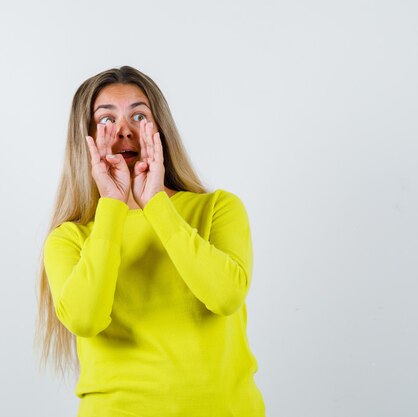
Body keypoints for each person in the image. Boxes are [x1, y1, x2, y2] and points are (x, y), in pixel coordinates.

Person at [36, 66, 265, 416]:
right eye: (106, 120)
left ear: (159, 130)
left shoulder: (218, 209)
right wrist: (111, 207)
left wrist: (157, 205)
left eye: (139, 115)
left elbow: (226, 296)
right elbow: (85, 319)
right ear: (85, 138)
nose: (124, 130)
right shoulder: (70, 238)